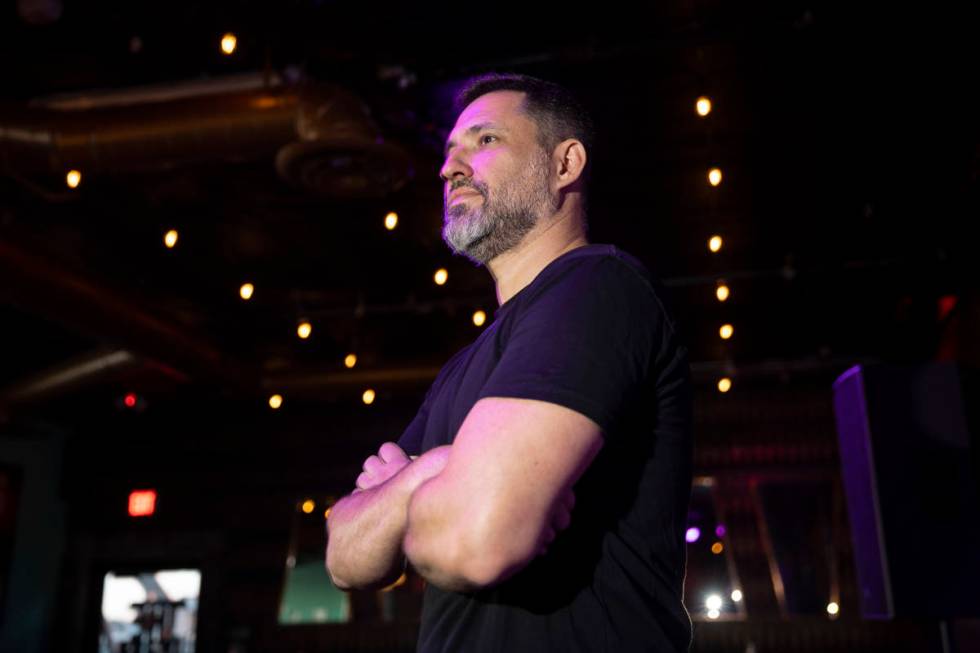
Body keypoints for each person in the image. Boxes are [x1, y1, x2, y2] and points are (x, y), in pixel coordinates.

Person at [326, 72, 694, 652]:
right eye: (449, 152)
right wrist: (432, 474)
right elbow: (345, 557)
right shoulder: (464, 364)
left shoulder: (598, 287)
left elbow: (473, 541)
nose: (451, 168)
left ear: (565, 164)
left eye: (485, 141)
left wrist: (406, 489)